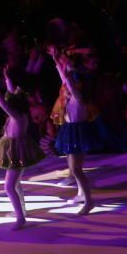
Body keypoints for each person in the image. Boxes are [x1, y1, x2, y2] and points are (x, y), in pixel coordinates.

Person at [0, 66, 44, 230]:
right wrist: (7, 78)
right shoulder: (20, 112)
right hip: (16, 148)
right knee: (16, 184)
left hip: (16, 150)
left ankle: (21, 218)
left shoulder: (17, 116)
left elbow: (3, 104)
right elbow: (13, 94)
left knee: (8, 186)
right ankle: (22, 211)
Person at [50, 48, 97, 215]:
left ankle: (89, 201)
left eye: (69, 86)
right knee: (71, 166)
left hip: (78, 132)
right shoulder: (71, 96)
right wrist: (57, 62)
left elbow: (68, 81)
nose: (65, 89)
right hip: (70, 130)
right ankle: (81, 193)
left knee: (77, 169)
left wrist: (65, 65)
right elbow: (65, 80)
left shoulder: (78, 98)